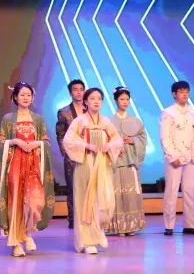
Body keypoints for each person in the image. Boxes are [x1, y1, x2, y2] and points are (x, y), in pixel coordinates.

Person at [0, 82, 55, 256]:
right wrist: (15, 142)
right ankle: (16, 242)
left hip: (33, 164)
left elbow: (46, 141)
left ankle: (27, 233)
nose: (26, 98)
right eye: (22, 95)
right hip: (15, 164)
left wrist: (37, 143)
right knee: (16, 201)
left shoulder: (38, 119)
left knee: (33, 200)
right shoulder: (8, 119)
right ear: (15, 97)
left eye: (29, 95)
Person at [63, 88, 124, 254]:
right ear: (85, 101)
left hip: (102, 164)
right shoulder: (80, 121)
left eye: (99, 98)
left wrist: (108, 146)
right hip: (85, 165)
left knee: (105, 199)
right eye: (92, 98)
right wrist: (86, 145)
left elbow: (117, 140)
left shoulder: (105, 122)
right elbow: (68, 141)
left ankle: (99, 232)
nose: (96, 101)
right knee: (86, 202)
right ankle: (86, 241)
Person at [160, 80, 194, 235]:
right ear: (174, 94)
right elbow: (165, 137)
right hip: (175, 158)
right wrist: (172, 156)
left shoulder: (193, 112)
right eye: (181, 91)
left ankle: (189, 225)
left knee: (189, 192)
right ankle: (169, 225)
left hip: (191, 158)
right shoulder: (168, 113)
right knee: (171, 192)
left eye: (187, 91)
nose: (185, 94)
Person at [107, 87, 147, 235]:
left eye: (127, 99)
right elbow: (105, 139)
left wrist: (133, 140)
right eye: (122, 99)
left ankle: (131, 225)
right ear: (116, 100)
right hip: (115, 162)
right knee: (116, 193)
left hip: (130, 161)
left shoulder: (135, 120)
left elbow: (143, 138)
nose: (125, 102)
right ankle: (118, 226)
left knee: (131, 194)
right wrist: (115, 146)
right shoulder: (109, 121)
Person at [54, 79, 86, 229]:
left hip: (88, 153)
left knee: (88, 186)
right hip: (71, 155)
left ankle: (88, 218)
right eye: (75, 89)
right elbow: (60, 134)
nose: (78, 92)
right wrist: (66, 152)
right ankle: (73, 220)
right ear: (70, 92)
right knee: (73, 188)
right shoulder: (64, 112)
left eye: (81, 89)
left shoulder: (90, 109)